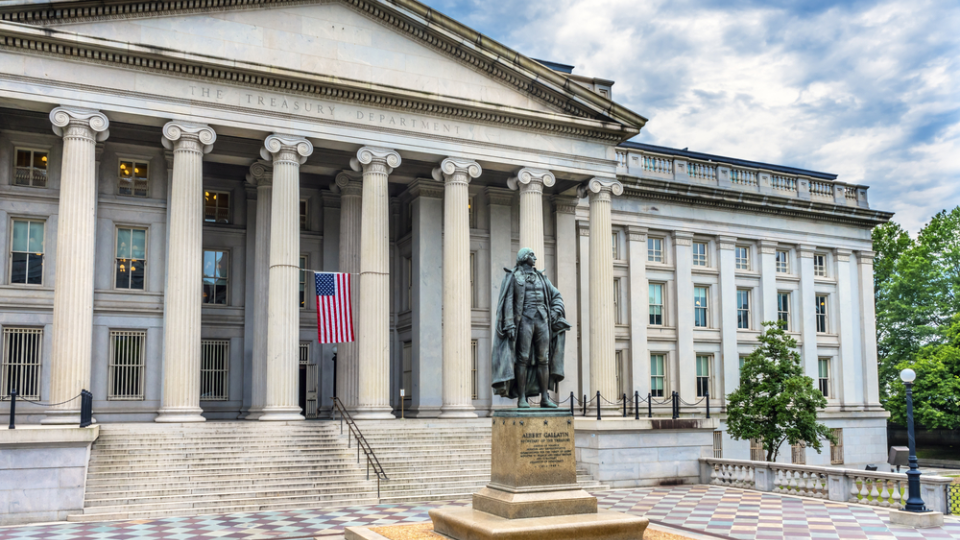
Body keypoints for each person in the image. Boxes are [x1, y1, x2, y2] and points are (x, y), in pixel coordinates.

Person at [491, 248, 571, 408]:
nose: (535, 258)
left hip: (542, 321)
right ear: (524, 258)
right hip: (524, 321)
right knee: (522, 359)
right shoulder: (514, 276)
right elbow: (508, 301)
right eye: (532, 255)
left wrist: (555, 311)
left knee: (544, 359)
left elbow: (556, 296)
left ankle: (545, 398)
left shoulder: (542, 277)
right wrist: (509, 324)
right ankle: (521, 398)